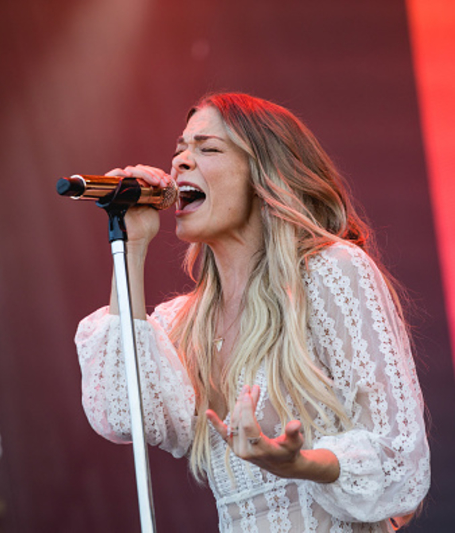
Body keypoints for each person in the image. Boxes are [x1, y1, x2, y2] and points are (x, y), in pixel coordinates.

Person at [75, 93, 430, 532]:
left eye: (207, 148)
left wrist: (301, 463)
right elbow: (120, 410)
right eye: (179, 150)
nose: (181, 162)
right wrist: (132, 246)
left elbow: (399, 458)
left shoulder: (330, 272)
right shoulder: (184, 324)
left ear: (265, 173)